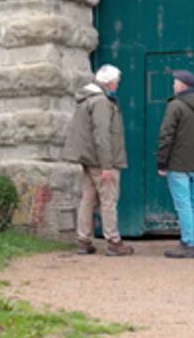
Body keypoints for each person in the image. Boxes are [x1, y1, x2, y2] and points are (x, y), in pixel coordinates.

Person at [61, 64, 134, 256]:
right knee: (108, 199)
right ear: (109, 82)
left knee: (88, 199)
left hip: (88, 159)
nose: (117, 85)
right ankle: (113, 241)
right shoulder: (101, 101)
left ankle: (83, 240)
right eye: (117, 82)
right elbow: (102, 135)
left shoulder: (87, 99)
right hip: (100, 161)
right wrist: (107, 166)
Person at [156, 69, 194, 259]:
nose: (173, 85)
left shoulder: (175, 106)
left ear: (181, 85)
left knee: (183, 204)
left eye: (175, 82)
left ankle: (186, 243)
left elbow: (166, 135)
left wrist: (162, 161)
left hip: (178, 163)